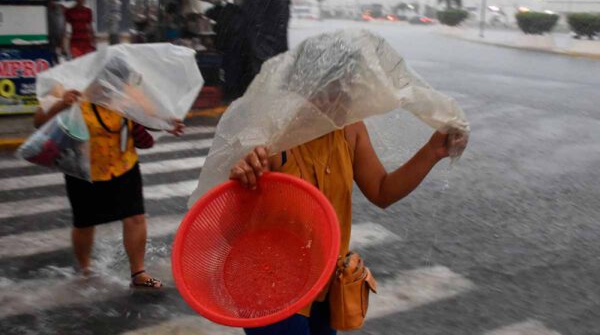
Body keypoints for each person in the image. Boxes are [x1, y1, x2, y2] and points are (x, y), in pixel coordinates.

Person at [228, 62, 468, 335]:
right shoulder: (269, 134)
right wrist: (243, 172)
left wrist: (432, 152)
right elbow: (232, 212)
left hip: (324, 282)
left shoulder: (351, 130)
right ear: (302, 89)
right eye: (331, 91)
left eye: (348, 91)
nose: (342, 101)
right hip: (269, 286)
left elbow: (381, 190)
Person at [32, 72, 184, 289]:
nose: (112, 89)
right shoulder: (68, 93)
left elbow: (146, 118)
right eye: (106, 84)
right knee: (84, 223)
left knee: (135, 217)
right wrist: (60, 105)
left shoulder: (126, 95)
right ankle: (85, 269)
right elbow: (38, 121)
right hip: (84, 170)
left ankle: (138, 273)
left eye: (117, 83)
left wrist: (168, 124)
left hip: (124, 165)